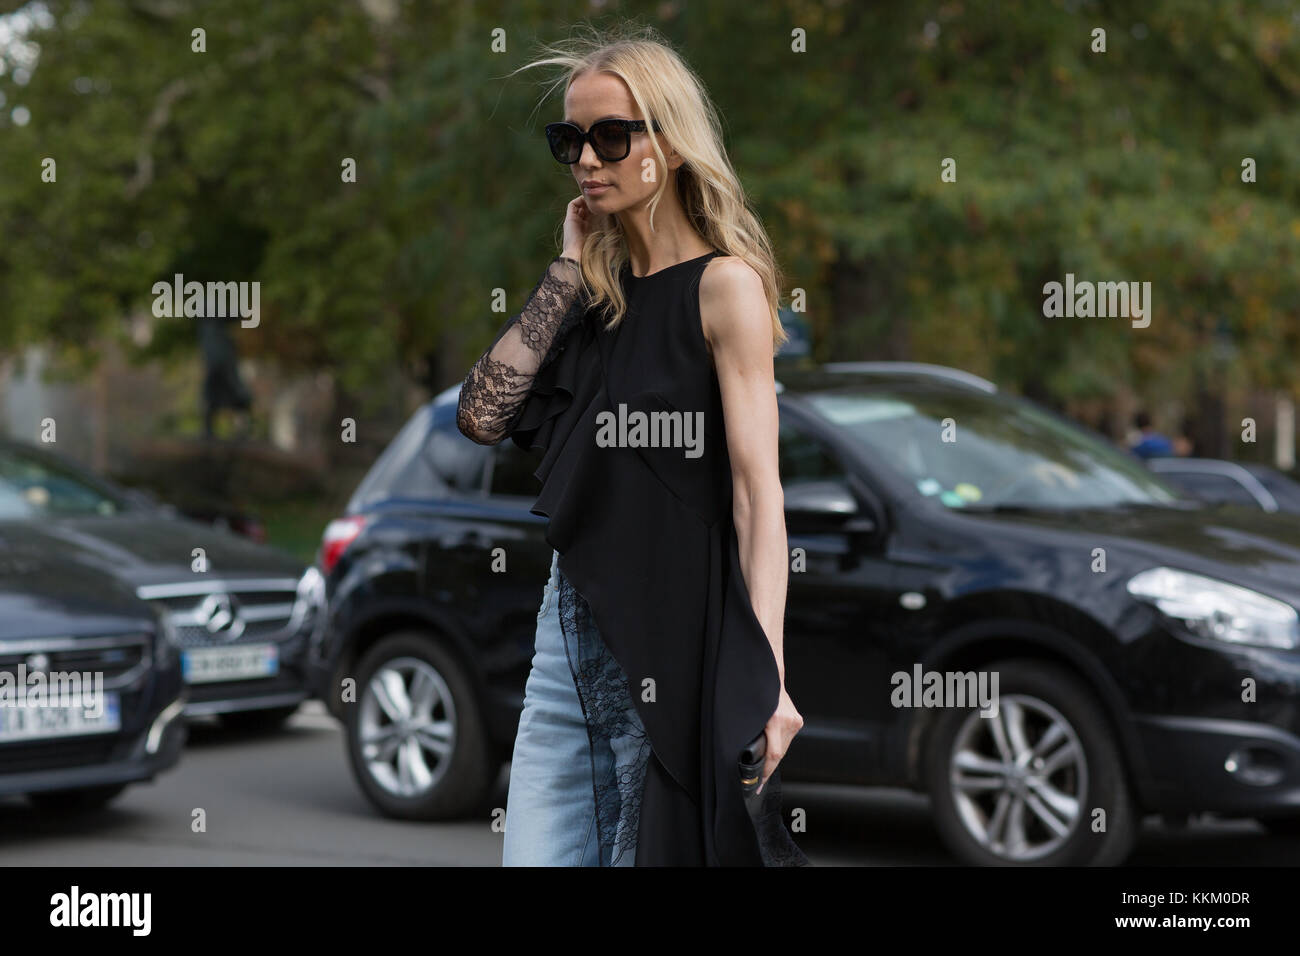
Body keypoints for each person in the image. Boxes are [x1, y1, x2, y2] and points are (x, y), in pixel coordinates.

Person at [455, 25, 808, 866]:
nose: (587, 158)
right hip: (569, 632)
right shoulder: (590, 295)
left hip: (680, 638)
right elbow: (480, 413)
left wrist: (773, 678)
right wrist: (566, 271)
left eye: (611, 136)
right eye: (570, 139)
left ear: (671, 143)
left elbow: (759, 496)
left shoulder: (727, 289)